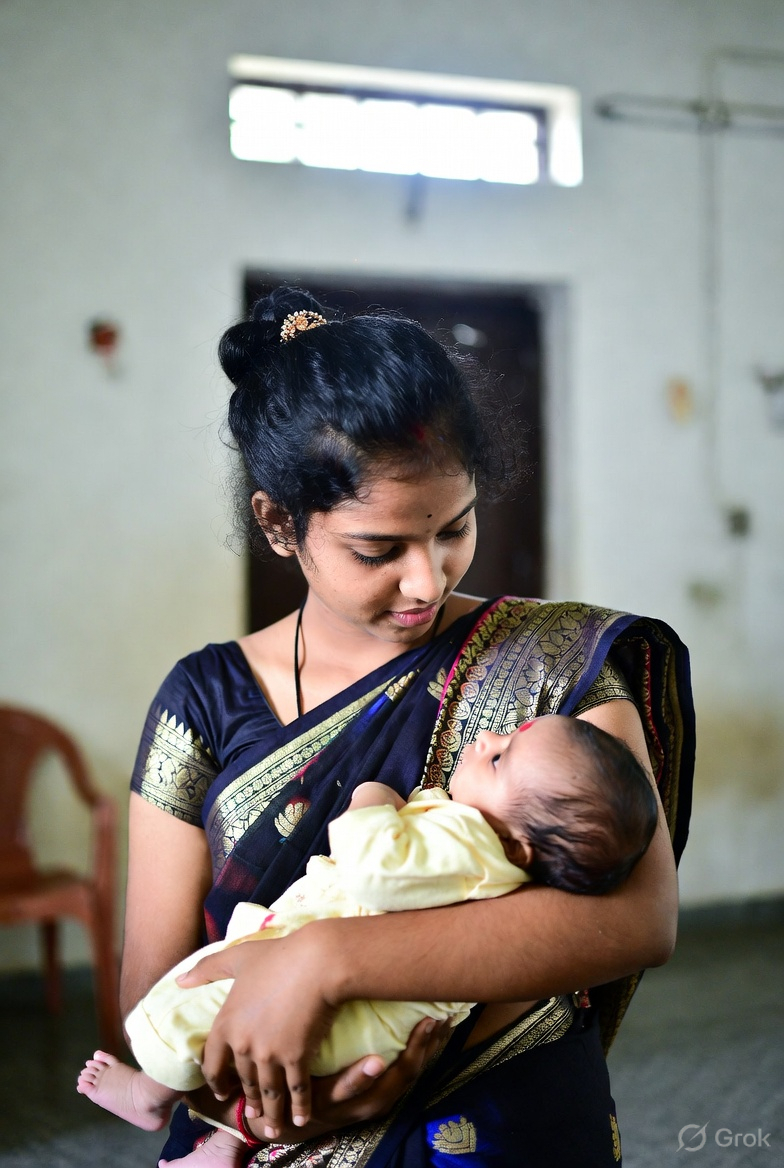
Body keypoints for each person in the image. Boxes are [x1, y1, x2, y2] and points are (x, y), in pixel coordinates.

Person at [118, 287, 695, 1168]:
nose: (427, 581)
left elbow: (637, 920)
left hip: (513, 1132)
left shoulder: (553, 660)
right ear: (279, 523)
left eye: (455, 529)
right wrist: (263, 1114)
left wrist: (329, 960)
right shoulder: (203, 700)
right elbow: (150, 1001)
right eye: (378, 550)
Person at [78, 714, 658, 1165]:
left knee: (197, 1012)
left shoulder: (471, 840)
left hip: (351, 1006)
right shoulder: (494, 861)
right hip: (371, 1031)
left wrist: (373, 799)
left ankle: (152, 1093)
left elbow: (373, 869)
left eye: (501, 757)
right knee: (257, 1058)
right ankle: (225, 1142)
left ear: (518, 846)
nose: (485, 739)